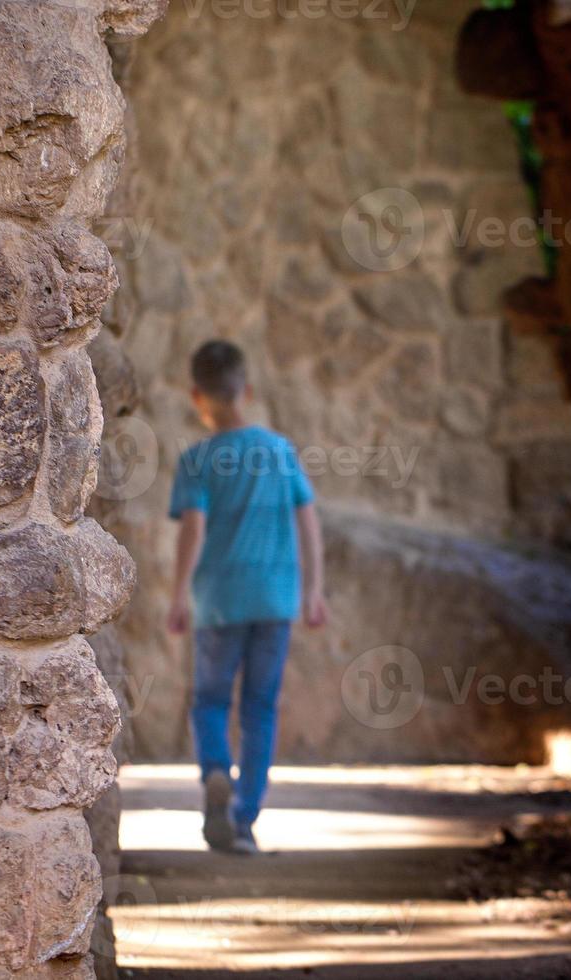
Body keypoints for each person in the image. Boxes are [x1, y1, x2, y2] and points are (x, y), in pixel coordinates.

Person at [166, 339, 327, 855]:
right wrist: (314, 589)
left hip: (219, 600)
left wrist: (177, 595)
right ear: (247, 390)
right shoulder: (279, 451)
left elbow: (193, 528)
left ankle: (216, 769)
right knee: (260, 709)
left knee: (211, 700)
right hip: (276, 599)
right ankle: (244, 818)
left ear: (197, 396)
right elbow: (308, 522)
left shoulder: (197, 460)